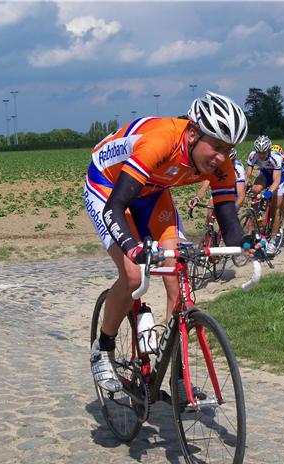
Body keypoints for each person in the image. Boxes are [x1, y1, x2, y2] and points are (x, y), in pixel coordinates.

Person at [84, 91, 262, 392]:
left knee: (178, 275)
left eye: (229, 149)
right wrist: (133, 247)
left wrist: (244, 242)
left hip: (152, 193)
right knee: (132, 274)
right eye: (216, 146)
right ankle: (103, 347)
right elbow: (114, 207)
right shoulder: (160, 141)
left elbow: (227, 214)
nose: (221, 157)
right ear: (192, 133)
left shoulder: (222, 165)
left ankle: (177, 373)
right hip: (108, 186)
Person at [187, 148, 247, 232]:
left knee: (226, 221)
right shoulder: (216, 167)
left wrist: (234, 208)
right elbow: (204, 187)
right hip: (221, 190)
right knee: (210, 212)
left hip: (234, 193)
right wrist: (196, 198)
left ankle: (224, 235)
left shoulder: (238, 169)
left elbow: (241, 195)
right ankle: (207, 234)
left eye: (231, 162)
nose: (228, 165)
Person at [244, 135, 284, 255]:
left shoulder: (275, 157)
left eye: (263, 152)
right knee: (254, 190)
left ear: (268, 150)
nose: (261, 155)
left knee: (276, 208)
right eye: (259, 152)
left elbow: (276, 181)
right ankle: (258, 215)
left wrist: (268, 192)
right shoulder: (253, 155)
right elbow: (247, 176)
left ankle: (273, 240)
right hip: (265, 174)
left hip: (280, 176)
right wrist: (244, 187)